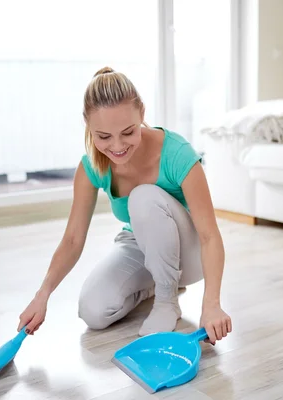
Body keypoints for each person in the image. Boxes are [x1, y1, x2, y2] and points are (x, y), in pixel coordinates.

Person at [17, 66, 231, 344]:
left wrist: (211, 304)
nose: (117, 146)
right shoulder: (91, 167)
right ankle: (155, 287)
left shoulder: (177, 154)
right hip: (140, 243)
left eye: (128, 132)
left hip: (189, 253)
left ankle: (167, 301)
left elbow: (209, 235)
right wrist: (42, 295)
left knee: (143, 196)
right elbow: (72, 239)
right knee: (93, 311)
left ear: (142, 112)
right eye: (103, 136)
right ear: (87, 124)